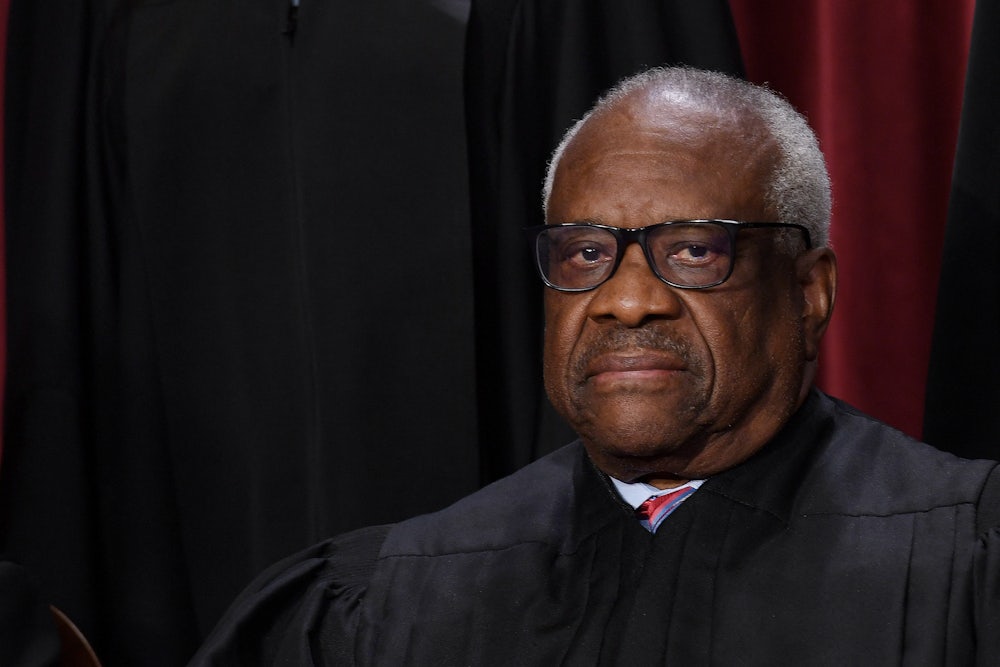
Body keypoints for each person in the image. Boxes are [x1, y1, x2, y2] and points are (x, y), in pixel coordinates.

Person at [189, 66, 1000, 665]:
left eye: (693, 249)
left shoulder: (963, 564)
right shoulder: (393, 599)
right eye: (584, 252)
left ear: (809, 292)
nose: (626, 300)